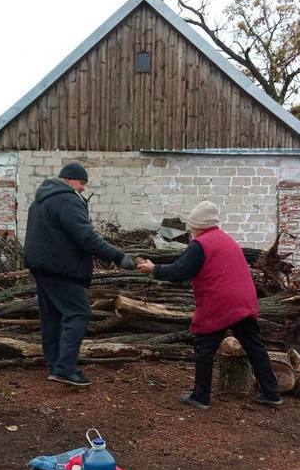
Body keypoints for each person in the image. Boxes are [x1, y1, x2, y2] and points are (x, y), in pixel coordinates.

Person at [136, 200, 281, 409]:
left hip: (220, 302)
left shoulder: (201, 244)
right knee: (254, 345)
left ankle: (201, 396)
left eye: (191, 225)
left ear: (196, 224)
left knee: (204, 346)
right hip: (244, 300)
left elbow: (180, 271)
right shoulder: (225, 239)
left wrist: (154, 269)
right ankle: (271, 392)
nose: (190, 229)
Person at [23, 162, 135, 386]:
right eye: (82, 182)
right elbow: (86, 237)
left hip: (42, 267)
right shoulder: (66, 199)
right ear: (70, 179)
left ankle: (55, 364)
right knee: (78, 313)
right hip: (62, 268)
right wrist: (118, 257)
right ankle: (65, 369)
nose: (83, 188)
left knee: (52, 315)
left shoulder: (41, 200)